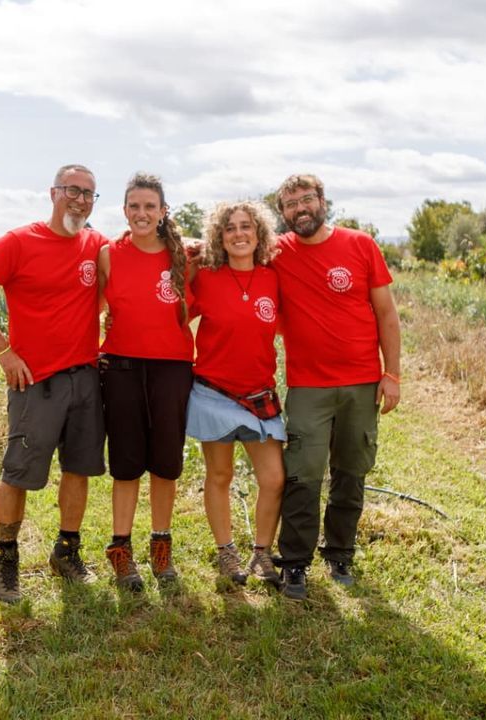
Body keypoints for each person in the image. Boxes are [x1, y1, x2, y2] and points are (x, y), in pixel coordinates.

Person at [0, 163, 107, 604]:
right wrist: (4, 350)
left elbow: (126, 267)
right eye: (72, 190)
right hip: (35, 381)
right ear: (53, 192)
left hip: (86, 378)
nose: (80, 200)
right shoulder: (19, 242)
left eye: (89, 194)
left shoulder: (95, 243)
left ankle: (67, 551)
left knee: (79, 469)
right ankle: (6, 558)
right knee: (18, 473)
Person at [271, 173, 401, 601]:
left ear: (322, 201)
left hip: (362, 382)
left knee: (351, 471)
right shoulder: (277, 252)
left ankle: (340, 553)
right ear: (282, 212)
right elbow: (224, 248)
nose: (300, 209)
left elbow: (386, 314)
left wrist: (392, 374)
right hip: (309, 386)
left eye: (306, 199)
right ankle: (294, 563)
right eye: (290, 204)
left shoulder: (360, 245)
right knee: (303, 474)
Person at [97, 172, 195, 592]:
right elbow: (96, 305)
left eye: (149, 206)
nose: (141, 213)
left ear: (162, 211)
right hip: (120, 366)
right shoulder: (107, 254)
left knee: (165, 462)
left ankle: (161, 544)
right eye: (134, 206)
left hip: (172, 367)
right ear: (124, 211)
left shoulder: (184, 257)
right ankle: (120, 549)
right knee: (126, 462)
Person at [186, 200, 285, 588]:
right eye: (230, 228)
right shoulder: (206, 277)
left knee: (274, 478)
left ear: (259, 234)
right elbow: (175, 316)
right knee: (220, 474)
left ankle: (262, 553)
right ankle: (226, 552)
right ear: (219, 237)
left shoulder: (273, 277)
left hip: (259, 394)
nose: (239, 233)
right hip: (214, 392)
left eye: (246, 226)